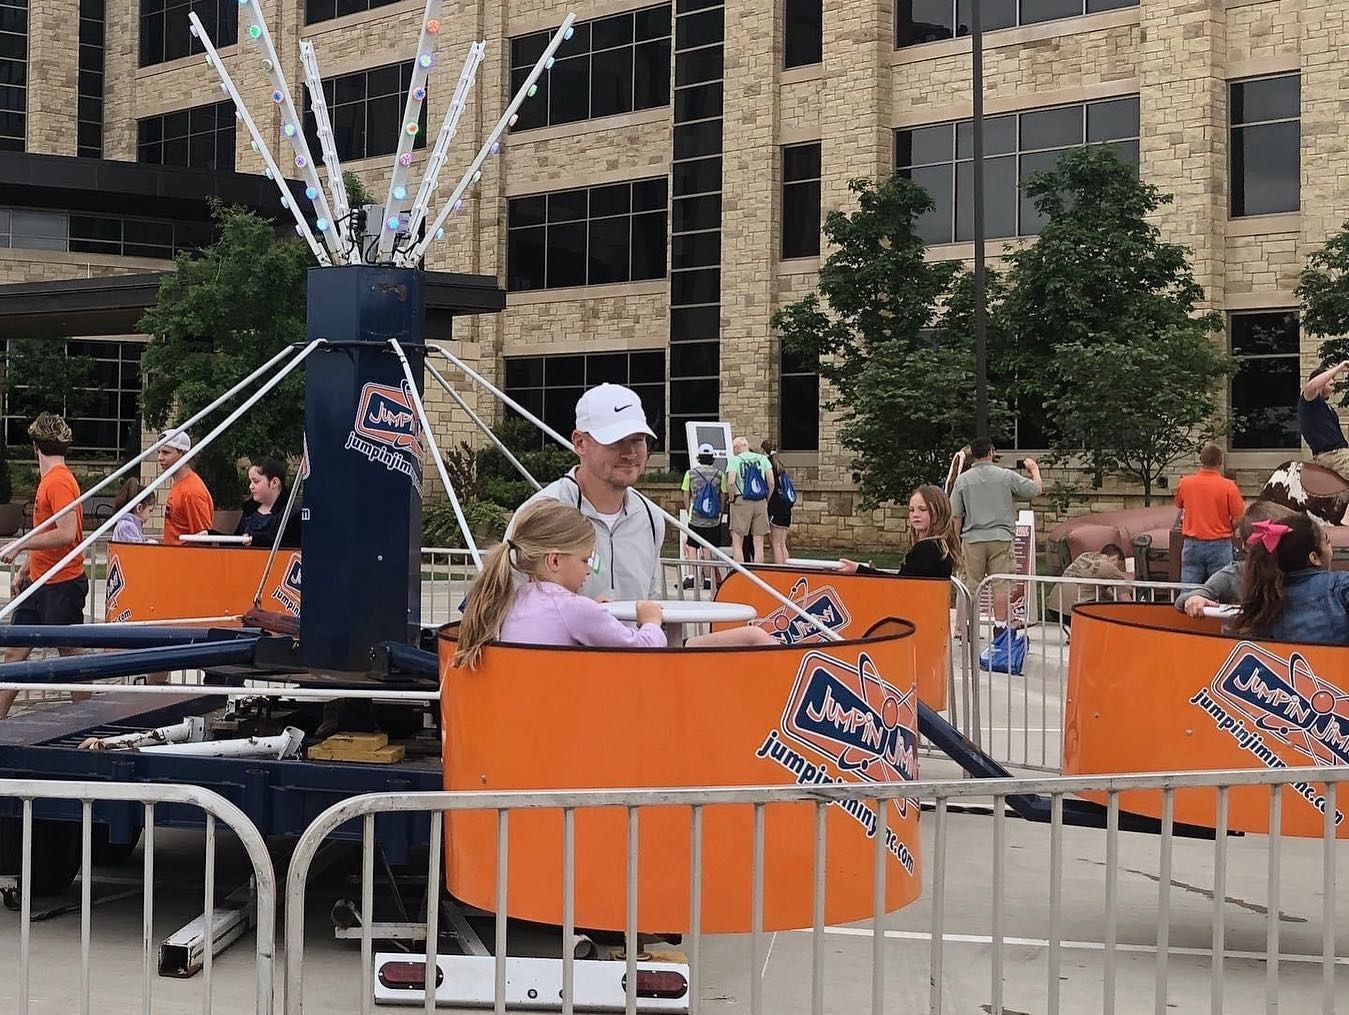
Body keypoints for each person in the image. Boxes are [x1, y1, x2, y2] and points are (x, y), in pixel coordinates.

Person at [453, 501, 773, 668]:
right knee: (753, 637)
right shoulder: (571, 608)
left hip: (540, 710)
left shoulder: (519, 598)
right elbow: (644, 651)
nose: (589, 572)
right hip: (580, 713)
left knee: (750, 635)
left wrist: (595, 610)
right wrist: (651, 620)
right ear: (554, 561)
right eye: (585, 561)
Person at [506, 384, 664, 603]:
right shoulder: (543, 513)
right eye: (616, 441)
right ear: (580, 443)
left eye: (638, 440)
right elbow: (510, 606)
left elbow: (652, 602)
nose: (629, 453)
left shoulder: (652, 518)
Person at [0, 414, 89, 720]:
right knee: (14, 652)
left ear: (35, 446)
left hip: (62, 583)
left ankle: (87, 720)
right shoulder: (52, 480)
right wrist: (28, 564)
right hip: (40, 581)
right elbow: (49, 530)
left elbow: (67, 532)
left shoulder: (59, 481)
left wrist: (20, 544)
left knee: (70, 657)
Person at [949, 437, 1042, 619]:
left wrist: (956, 541)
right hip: (1001, 538)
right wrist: (1034, 469)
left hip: (972, 539)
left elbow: (956, 516)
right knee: (1001, 584)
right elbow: (1035, 490)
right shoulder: (1005, 476)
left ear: (973, 455)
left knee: (970, 585)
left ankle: (968, 628)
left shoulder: (962, 480)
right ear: (991, 452)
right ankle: (1000, 628)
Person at [1235, 512, 1349, 645]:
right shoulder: (1339, 586)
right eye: (1328, 542)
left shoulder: (1264, 598)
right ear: (1314, 558)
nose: (1331, 550)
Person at [1175, 500, 1297, 617]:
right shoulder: (1234, 574)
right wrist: (1196, 598)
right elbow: (1186, 599)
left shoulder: (1298, 571)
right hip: (1239, 637)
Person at [837, 484, 962, 579]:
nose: (915, 515)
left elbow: (901, 584)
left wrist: (860, 570)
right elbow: (904, 578)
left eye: (923, 509)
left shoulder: (928, 548)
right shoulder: (940, 546)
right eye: (911, 510)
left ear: (938, 512)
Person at [1174, 443, 1245, 585]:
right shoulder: (1229, 486)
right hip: (1220, 544)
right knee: (1222, 589)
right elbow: (1239, 517)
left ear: (1201, 459)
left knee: (1189, 589)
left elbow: (1179, 504)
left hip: (1192, 544)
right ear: (1220, 461)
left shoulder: (1185, 483)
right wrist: (1229, 527)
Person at [1044, 543, 1133, 627]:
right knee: (1104, 612)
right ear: (1115, 558)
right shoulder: (1108, 567)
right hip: (1074, 611)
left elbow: (1093, 589)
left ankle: (1074, 636)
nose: (1117, 568)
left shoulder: (1085, 556)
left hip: (1053, 607)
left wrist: (1111, 597)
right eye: (1119, 565)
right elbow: (1124, 593)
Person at [158, 430, 215, 545]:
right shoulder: (180, 484)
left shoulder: (192, 491)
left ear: (182, 454)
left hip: (183, 560)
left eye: (165, 452)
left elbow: (203, 540)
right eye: (159, 452)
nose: (160, 457)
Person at [725, 437, 774, 565]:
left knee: (737, 542)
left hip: (741, 500)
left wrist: (731, 498)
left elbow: (730, 482)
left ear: (737, 448)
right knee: (758, 543)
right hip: (760, 500)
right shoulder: (763, 459)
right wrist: (766, 499)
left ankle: (740, 575)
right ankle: (758, 574)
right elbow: (771, 482)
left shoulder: (734, 460)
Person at [680, 443, 723, 590]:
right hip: (712, 518)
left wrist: (688, 510)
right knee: (707, 547)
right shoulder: (719, 474)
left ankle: (691, 576)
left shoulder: (690, 473)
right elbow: (722, 495)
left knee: (692, 546)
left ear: (699, 457)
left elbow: (686, 493)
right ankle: (708, 578)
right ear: (712, 458)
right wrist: (720, 511)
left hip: (696, 517)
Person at [1298, 360, 1349, 482]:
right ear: (1321, 383)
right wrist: (1339, 367)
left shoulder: (1327, 408)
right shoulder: (1308, 402)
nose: (1333, 386)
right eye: (1330, 383)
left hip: (1340, 454)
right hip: (1330, 456)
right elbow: (1312, 386)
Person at [235, 457, 293, 548]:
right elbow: (235, 541)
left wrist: (258, 541)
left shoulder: (293, 513)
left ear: (274, 483)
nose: (251, 486)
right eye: (250, 481)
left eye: (256, 481)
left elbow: (293, 547)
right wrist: (212, 536)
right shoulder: (249, 510)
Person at [762, 439, 793, 565]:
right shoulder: (780, 464)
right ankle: (788, 568)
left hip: (775, 505)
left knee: (775, 543)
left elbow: (770, 484)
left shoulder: (767, 464)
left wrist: (766, 501)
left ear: (763, 450)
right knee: (782, 543)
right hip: (786, 506)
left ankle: (780, 570)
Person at [111, 478, 156, 544]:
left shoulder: (129, 525)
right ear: (139, 508)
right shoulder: (127, 527)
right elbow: (136, 550)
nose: (150, 515)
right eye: (150, 511)